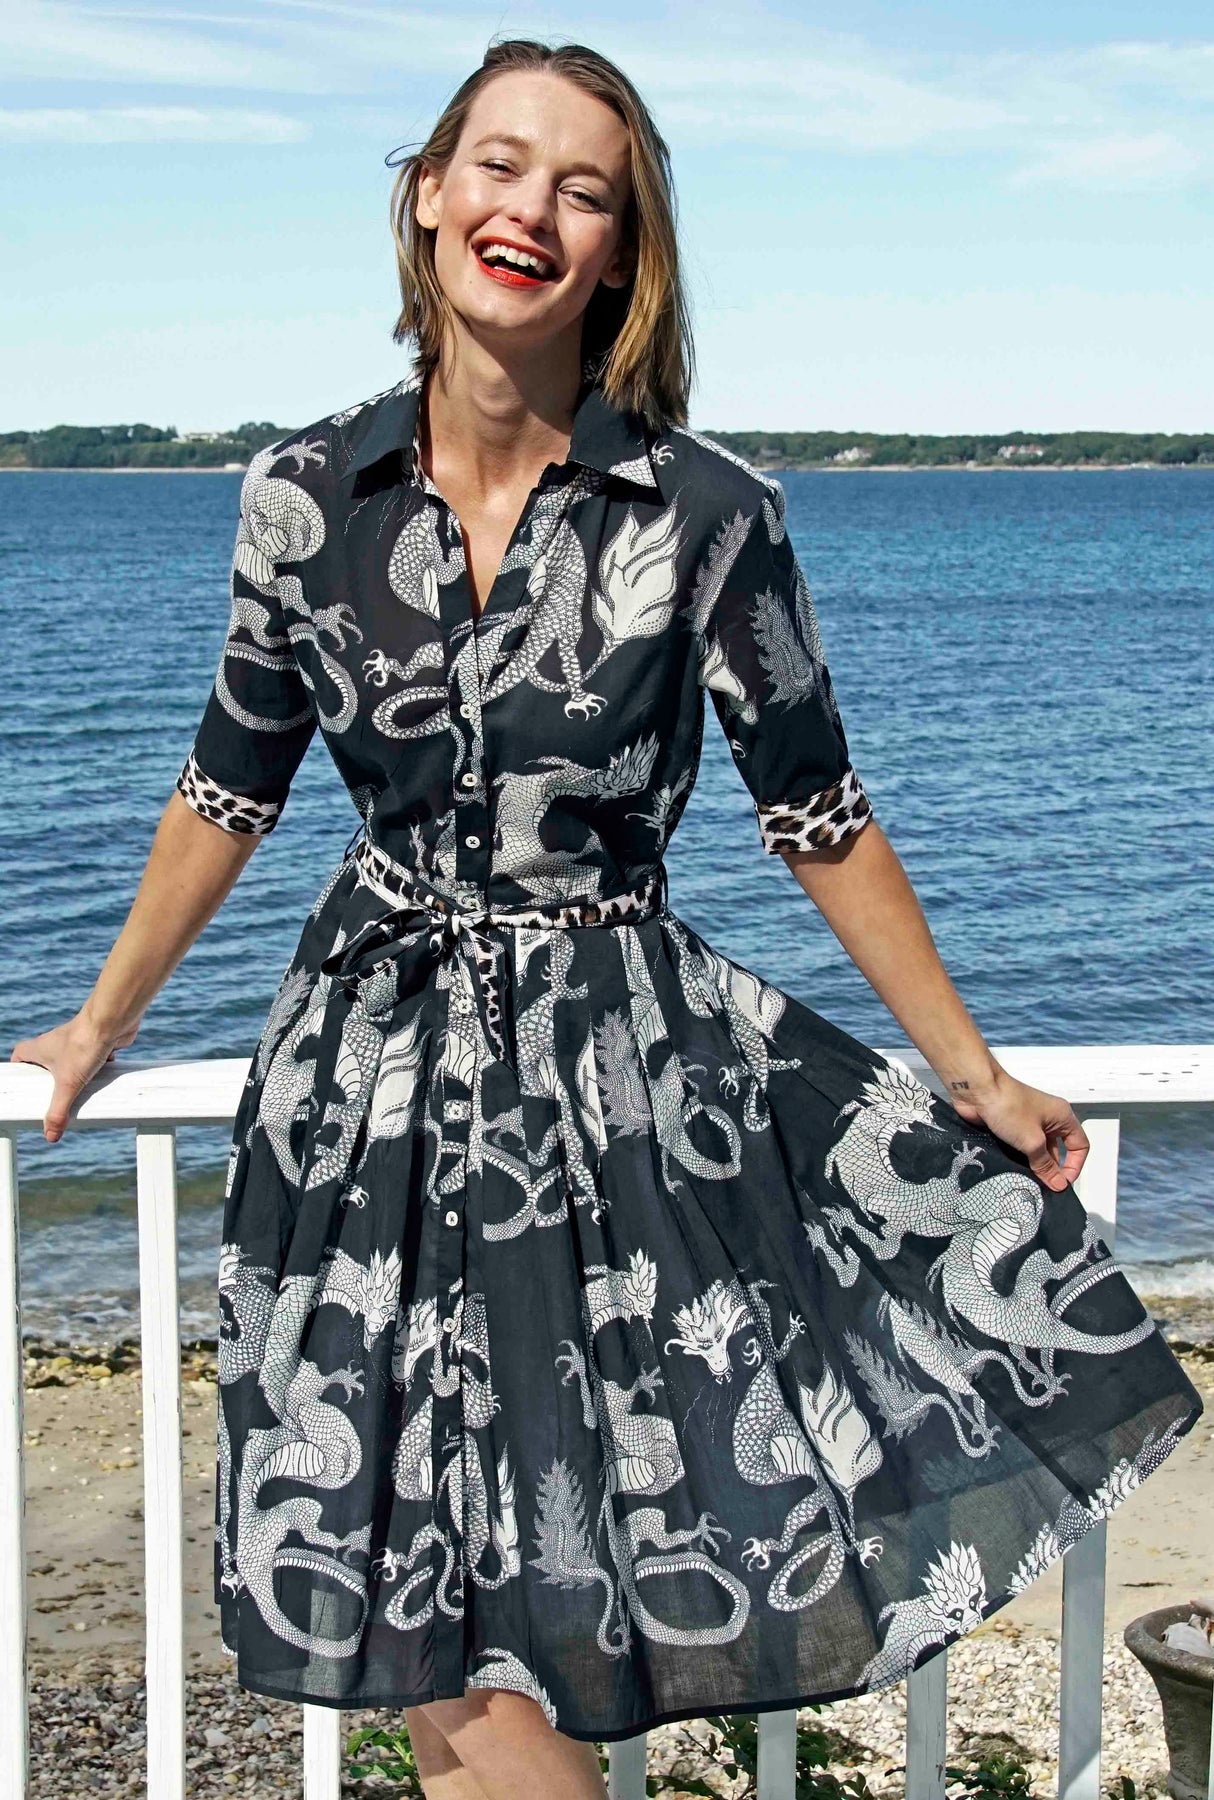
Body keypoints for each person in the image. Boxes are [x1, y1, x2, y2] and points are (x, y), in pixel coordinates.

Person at [11, 36, 1202, 1800]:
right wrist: (99, 1024)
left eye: (584, 192)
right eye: (498, 166)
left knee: (558, 1584)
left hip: (611, 1094)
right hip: (363, 1100)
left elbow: (817, 813)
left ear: (620, 254)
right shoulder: (300, 497)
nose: (531, 211)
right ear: (427, 194)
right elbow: (226, 785)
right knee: (411, 1618)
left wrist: (972, 1074)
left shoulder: (708, 514)